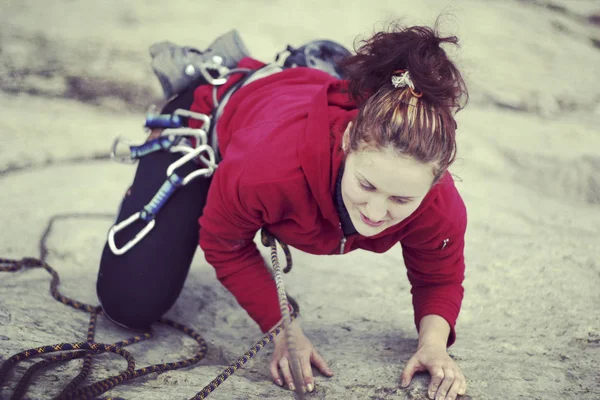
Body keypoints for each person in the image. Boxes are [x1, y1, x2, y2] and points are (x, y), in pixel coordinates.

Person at [97, 22, 469, 400]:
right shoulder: (270, 169)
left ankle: (316, 72)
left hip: (278, 123)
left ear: (435, 182)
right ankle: (281, 70)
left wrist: (433, 345)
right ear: (346, 141)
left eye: (401, 200)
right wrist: (282, 327)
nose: (375, 212)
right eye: (367, 185)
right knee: (129, 301)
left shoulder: (439, 203)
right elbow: (224, 242)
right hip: (217, 118)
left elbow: (438, 277)